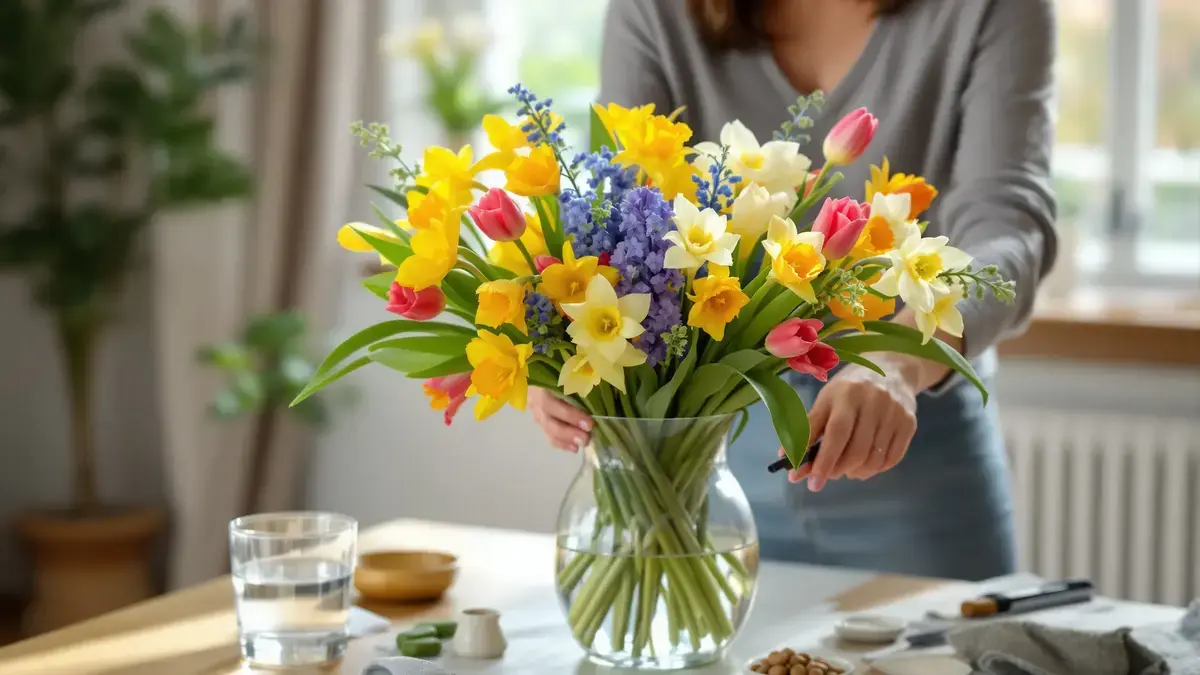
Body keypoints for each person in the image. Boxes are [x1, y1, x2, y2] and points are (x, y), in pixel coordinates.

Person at [529, 0, 1057, 581]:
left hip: (913, 454)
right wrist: (555, 344)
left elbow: (1008, 227)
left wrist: (895, 360)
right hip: (696, 465)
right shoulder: (656, 10)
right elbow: (620, 211)